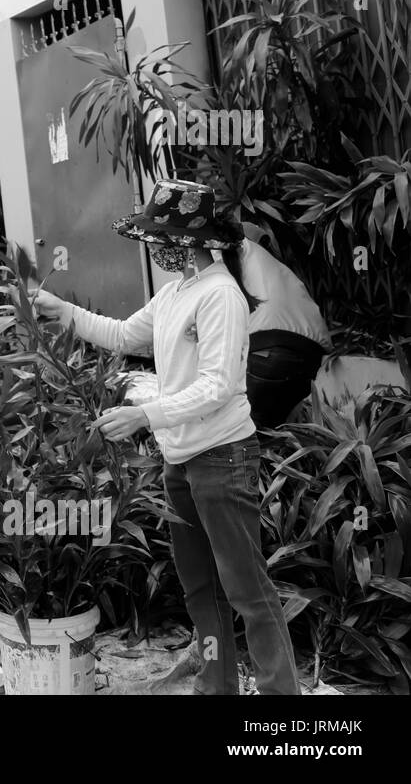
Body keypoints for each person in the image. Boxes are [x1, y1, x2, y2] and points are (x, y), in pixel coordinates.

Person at [32, 178, 298, 695]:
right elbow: (123, 335)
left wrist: (145, 415)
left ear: (188, 241)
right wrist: (62, 310)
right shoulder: (176, 292)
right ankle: (217, 686)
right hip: (181, 459)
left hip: (223, 458)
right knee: (201, 587)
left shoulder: (220, 296)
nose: (152, 246)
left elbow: (218, 387)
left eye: (158, 237)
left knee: (247, 589)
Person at [237, 223, 332, 428]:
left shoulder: (232, 256)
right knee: (275, 430)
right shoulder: (278, 269)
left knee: (243, 435)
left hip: (267, 353)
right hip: (309, 357)